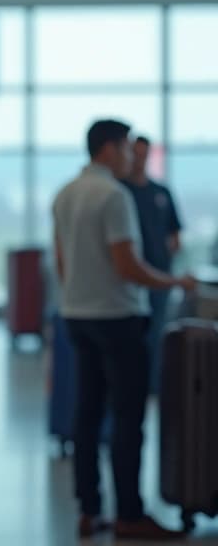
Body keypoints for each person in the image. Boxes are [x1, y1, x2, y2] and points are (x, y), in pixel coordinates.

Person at [52, 119, 197, 540]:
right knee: (128, 420)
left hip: (78, 316)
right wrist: (175, 282)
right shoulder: (114, 196)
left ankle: (89, 509)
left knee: (87, 415)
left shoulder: (66, 194)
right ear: (109, 149)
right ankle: (130, 513)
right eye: (127, 146)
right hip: (118, 319)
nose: (133, 155)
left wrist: (78, 295)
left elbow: (62, 261)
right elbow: (128, 266)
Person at [120, 135, 183, 394]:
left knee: (157, 333)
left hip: (159, 276)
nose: (140, 159)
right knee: (131, 336)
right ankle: (133, 386)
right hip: (129, 277)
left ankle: (154, 386)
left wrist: (168, 257)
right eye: (135, 154)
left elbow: (175, 232)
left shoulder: (161, 192)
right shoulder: (120, 193)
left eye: (144, 154)